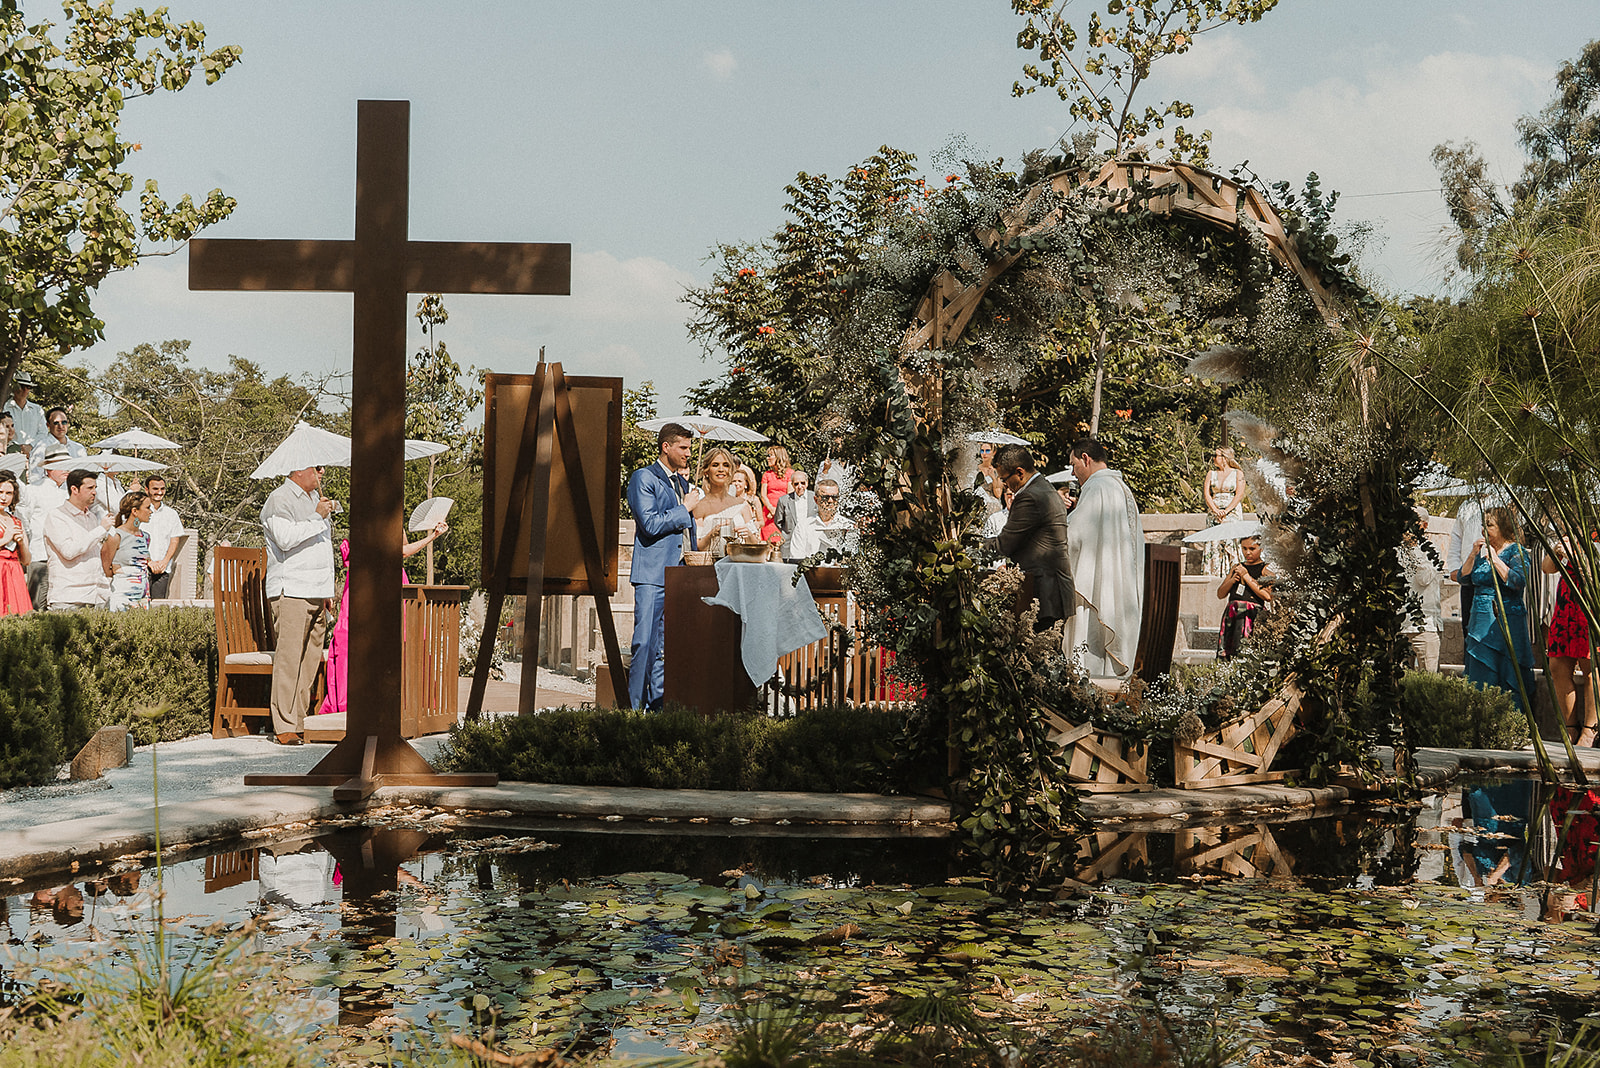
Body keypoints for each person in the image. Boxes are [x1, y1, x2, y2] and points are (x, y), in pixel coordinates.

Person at [318, 519, 449, 716]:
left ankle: (394, 700)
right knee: (357, 640)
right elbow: (402, 552)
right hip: (367, 587)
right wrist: (433, 536)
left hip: (386, 584)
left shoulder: (384, 519)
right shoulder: (366, 524)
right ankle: (364, 701)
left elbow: (402, 548)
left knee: (399, 639)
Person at [261, 464, 337, 745]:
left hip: (316, 589)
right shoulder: (279, 499)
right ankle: (283, 725)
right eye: (317, 468)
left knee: (309, 659)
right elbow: (285, 539)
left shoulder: (313, 501)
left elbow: (319, 547)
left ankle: (300, 719)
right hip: (291, 588)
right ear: (298, 470)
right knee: (290, 658)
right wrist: (318, 516)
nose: (322, 472)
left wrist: (327, 589)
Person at [625, 423, 699, 711]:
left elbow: (686, 533)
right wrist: (685, 508)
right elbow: (650, 523)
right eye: (683, 447)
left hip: (679, 575)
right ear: (666, 447)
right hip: (652, 574)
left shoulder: (681, 484)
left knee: (665, 649)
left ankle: (657, 711)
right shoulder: (643, 477)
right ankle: (632, 712)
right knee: (644, 643)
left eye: (690, 448)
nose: (688, 454)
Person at [1064, 437, 1145, 678]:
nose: (1073, 472)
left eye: (1074, 465)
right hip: (1121, 592)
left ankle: (1089, 686)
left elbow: (1073, 538)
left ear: (1085, 459)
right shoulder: (1119, 487)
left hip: (1099, 593)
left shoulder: (1097, 487)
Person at [984, 445, 1072, 631]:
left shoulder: (1030, 497)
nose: (1003, 485)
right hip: (1052, 591)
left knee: (1039, 656)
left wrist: (967, 547)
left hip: (1044, 594)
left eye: (1004, 479)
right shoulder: (1044, 488)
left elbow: (1003, 546)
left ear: (1020, 472)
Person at [1464, 505, 1535, 713]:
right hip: (1479, 620)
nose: (1485, 530)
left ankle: (1508, 720)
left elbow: (1518, 581)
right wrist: (1472, 555)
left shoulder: (1516, 551)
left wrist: (1496, 560)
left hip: (1505, 619)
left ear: (1503, 527)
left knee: (1507, 671)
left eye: (1490, 525)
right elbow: (1463, 578)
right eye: (1483, 526)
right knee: (1480, 672)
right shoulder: (1482, 552)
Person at [1542, 527, 1596, 746]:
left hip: (1591, 606)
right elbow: (1547, 569)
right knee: (1557, 665)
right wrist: (1556, 550)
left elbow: (1592, 576)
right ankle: (1570, 727)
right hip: (1566, 608)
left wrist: (1578, 557)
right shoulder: (1571, 537)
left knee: (1591, 668)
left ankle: (1590, 730)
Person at [43, 468, 112, 610]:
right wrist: (101, 529)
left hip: (96, 596)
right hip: (69, 597)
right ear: (74, 489)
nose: (94, 492)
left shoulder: (92, 517)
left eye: (95, 488)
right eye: (90, 488)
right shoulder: (56, 516)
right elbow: (69, 551)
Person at [20, 444, 70, 608]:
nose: (66, 470)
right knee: (37, 605)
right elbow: (24, 519)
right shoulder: (33, 490)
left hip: (63, 558)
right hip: (41, 555)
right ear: (48, 468)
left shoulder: (68, 493)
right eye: (60, 465)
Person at [691, 446, 759, 557]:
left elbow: (755, 544)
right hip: (712, 567)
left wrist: (748, 534)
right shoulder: (699, 506)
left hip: (741, 565)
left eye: (726, 465)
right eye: (715, 465)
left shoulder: (742, 504)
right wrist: (712, 533)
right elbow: (699, 547)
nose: (721, 469)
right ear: (706, 471)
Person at [1398, 507, 1443, 673]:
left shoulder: (1432, 550)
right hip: (1400, 627)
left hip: (1425, 627)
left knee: (1429, 683)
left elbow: (1423, 579)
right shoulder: (1396, 550)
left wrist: (1413, 549)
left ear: (1423, 526)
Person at [1216, 535, 1274, 658]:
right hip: (1232, 612)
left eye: (1252, 549)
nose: (1247, 552)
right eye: (1244, 548)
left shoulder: (1265, 569)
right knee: (1227, 650)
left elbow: (1267, 596)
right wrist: (1232, 580)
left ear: (1261, 548)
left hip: (1250, 613)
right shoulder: (1237, 567)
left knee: (1244, 648)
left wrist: (1246, 576)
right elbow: (1220, 594)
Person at [100, 490, 152, 611]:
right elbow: (105, 565)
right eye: (147, 508)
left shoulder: (146, 537)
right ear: (135, 511)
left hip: (143, 596)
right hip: (121, 594)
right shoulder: (116, 536)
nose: (150, 512)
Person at [1202, 446, 1247, 577]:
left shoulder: (1238, 474)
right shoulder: (1211, 474)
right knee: (1214, 542)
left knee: (1231, 540)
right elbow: (1207, 494)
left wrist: (1226, 511)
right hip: (1214, 512)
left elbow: (1239, 494)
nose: (1214, 458)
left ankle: (1233, 572)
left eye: (1217, 456)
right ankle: (1214, 573)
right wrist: (1216, 510)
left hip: (1231, 511)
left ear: (1225, 458)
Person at [1447, 494, 1488, 638]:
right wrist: (1453, 567)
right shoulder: (1466, 506)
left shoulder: (1503, 500)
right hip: (1468, 574)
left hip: (1492, 576)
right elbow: (1457, 538)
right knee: (1468, 628)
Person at [140, 474, 184, 600]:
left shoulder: (171, 514)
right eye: (155, 489)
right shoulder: (140, 512)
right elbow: (136, 539)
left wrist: (165, 562)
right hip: (143, 569)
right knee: (140, 607)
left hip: (163, 569)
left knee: (158, 608)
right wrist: (150, 562)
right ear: (147, 490)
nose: (159, 492)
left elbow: (174, 539)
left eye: (162, 489)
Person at [789, 479, 856, 559]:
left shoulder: (848, 526)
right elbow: (796, 557)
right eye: (825, 497)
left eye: (834, 497)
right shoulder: (803, 527)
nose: (830, 501)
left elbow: (854, 558)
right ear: (816, 500)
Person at [0, 471, 32, 615]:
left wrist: (21, 543)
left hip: (14, 573)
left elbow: (26, 560)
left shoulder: (16, 521)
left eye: (9, 493)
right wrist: (5, 538)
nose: (3, 497)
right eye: (0, 492)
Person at [29, 407, 86, 486]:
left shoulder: (79, 448)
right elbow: (35, 478)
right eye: (56, 423)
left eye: (64, 422)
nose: (60, 426)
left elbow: (84, 476)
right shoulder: (41, 448)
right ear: (48, 425)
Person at [2, 370, 46, 459]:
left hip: (34, 454)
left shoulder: (37, 410)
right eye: (22, 386)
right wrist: (17, 447)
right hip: (9, 453)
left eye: (28, 387)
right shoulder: (5, 407)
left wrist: (30, 446)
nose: (25, 390)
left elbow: (43, 433)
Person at [775, 469, 814, 563]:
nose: (800, 486)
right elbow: (778, 521)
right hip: (790, 544)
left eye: (802, 483)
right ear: (792, 485)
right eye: (796, 484)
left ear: (807, 483)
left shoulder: (814, 498)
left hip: (811, 542)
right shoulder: (784, 500)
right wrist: (787, 532)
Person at [758, 445, 793, 543]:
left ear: (778, 457)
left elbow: (790, 495)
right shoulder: (767, 474)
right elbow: (763, 495)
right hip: (768, 513)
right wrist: (771, 509)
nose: (767, 458)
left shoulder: (790, 473)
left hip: (783, 512)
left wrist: (778, 511)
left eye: (770, 455)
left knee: (781, 541)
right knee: (768, 541)